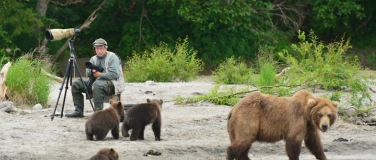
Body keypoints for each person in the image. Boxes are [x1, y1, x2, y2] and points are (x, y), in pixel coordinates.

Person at [66, 38, 125, 118]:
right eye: (97, 48)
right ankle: (78, 111)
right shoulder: (93, 59)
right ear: (95, 49)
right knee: (76, 84)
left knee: (98, 84)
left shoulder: (112, 57)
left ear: (105, 48)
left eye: (101, 48)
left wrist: (99, 74)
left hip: (113, 84)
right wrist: (92, 71)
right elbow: (87, 72)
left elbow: (114, 75)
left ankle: (98, 113)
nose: (99, 51)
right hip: (96, 81)